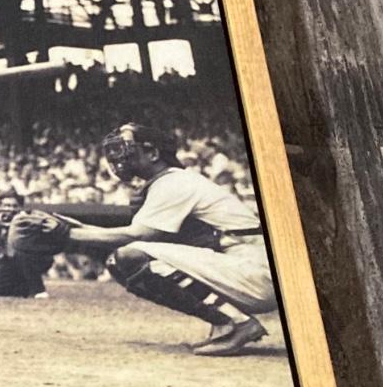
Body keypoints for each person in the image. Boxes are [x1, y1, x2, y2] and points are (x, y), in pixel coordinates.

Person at [66, 122, 276, 355]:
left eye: (127, 147)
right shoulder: (172, 180)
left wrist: (69, 235)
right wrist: (75, 227)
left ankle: (238, 323)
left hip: (255, 270)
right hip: (245, 267)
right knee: (123, 260)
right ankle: (225, 323)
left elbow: (137, 235)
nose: (119, 156)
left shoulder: (173, 182)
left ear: (153, 153)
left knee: (131, 257)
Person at [0, 190, 51, 298]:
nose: (10, 209)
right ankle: (24, 289)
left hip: (36, 258)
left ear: (20, 208)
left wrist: (12, 228)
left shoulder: (26, 219)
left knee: (22, 251)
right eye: (6, 205)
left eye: (14, 206)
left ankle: (39, 290)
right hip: (9, 259)